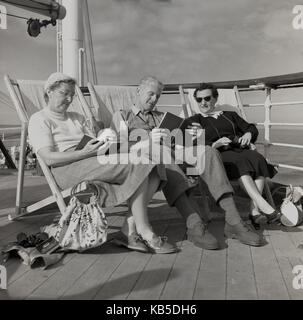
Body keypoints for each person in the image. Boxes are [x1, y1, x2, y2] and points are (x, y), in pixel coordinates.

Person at [28, 72, 178, 255]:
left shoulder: (77, 117)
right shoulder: (39, 119)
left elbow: (95, 145)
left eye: (72, 95)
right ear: (49, 91)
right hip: (67, 166)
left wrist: (105, 140)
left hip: (93, 156)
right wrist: (83, 152)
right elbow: (49, 158)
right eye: (64, 93)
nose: (69, 99)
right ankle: (144, 231)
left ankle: (130, 229)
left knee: (154, 164)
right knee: (140, 164)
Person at [111, 76, 264, 247]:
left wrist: (195, 137)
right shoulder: (122, 115)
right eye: (151, 94)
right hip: (145, 162)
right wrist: (147, 139)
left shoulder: (163, 117)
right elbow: (117, 147)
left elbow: (182, 144)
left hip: (174, 154)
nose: (154, 100)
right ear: (138, 91)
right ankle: (194, 225)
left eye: (158, 96)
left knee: (208, 152)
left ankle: (233, 222)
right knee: (163, 153)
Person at [185, 82, 280, 229]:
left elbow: (250, 128)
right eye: (199, 99)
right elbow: (192, 145)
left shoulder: (230, 115)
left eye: (207, 98)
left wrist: (248, 134)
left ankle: (254, 211)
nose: (203, 102)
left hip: (239, 150)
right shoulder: (194, 121)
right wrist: (213, 145)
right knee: (242, 161)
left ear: (215, 99)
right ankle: (261, 206)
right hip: (217, 156)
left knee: (258, 158)